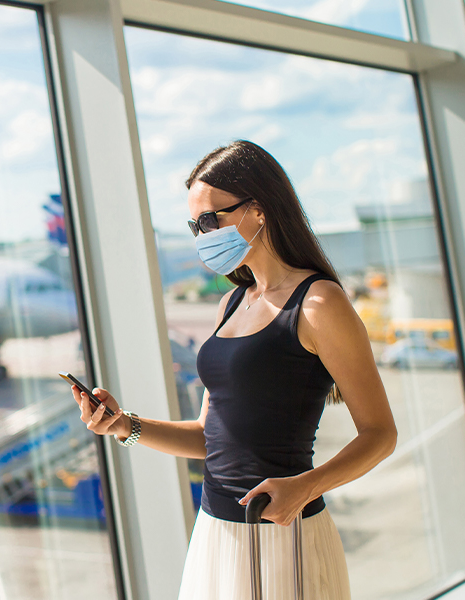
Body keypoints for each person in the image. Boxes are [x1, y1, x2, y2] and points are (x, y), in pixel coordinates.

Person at [70, 140, 397, 599]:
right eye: (194, 225)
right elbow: (210, 437)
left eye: (210, 220)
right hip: (215, 533)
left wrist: (305, 487)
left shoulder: (319, 303)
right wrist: (125, 425)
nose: (202, 235)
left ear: (258, 210)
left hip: (284, 538)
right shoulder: (231, 303)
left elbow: (380, 433)